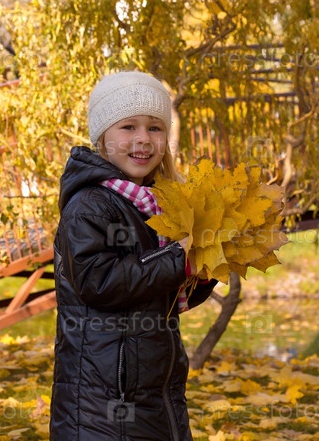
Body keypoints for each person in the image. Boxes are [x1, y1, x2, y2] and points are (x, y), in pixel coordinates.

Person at [50, 71, 217, 441]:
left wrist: (200, 275)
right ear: (102, 137)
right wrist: (178, 259)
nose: (143, 139)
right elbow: (99, 282)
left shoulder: (157, 205)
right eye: (128, 127)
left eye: (155, 128)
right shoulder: (89, 205)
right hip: (103, 404)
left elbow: (162, 295)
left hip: (156, 392)